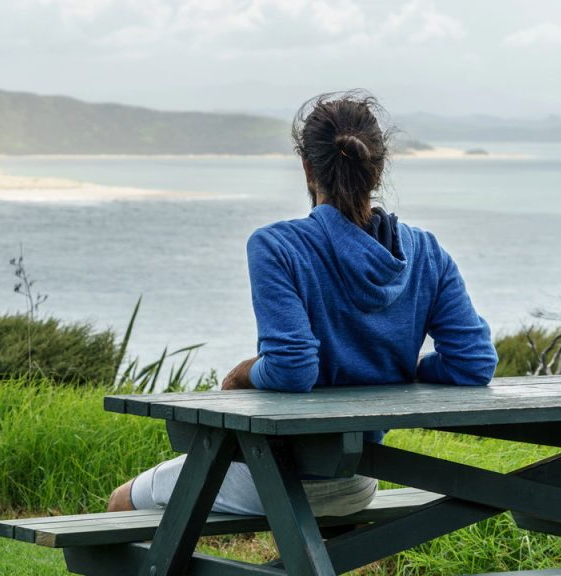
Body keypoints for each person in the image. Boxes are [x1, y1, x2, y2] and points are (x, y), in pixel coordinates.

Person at [107, 91, 498, 516]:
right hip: (359, 479)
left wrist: (243, 373)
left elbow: (293, 367)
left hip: (274, 476)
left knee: (122, 501)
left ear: (307, 168)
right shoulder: (426, 252)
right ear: (378, 167)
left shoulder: (277, 247)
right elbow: (473, 362)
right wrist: (411, 369)